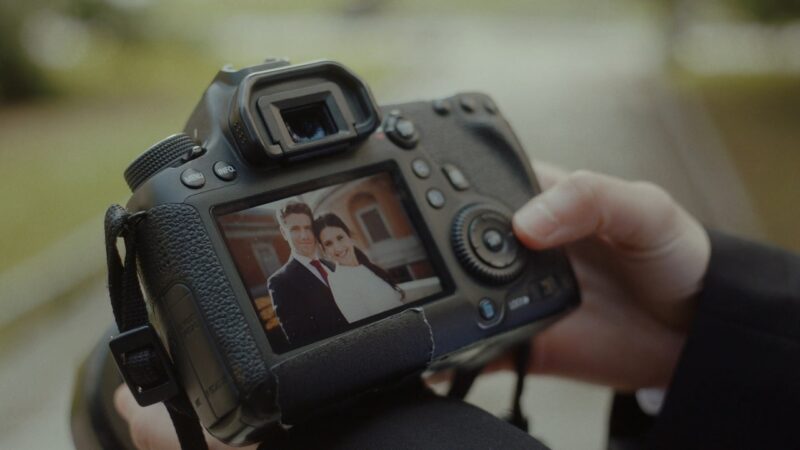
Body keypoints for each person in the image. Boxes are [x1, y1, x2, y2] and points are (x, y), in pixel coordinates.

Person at [113, 164, 800, 449]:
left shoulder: (355, 266)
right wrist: (685, 341)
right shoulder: (291, 281)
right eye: (299, 232)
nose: (310, 238)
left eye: (318, 230)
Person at [266, 202, 347, 348]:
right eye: (295, 229)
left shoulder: (333, 266)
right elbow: (302, 342)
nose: (304, 236)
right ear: (284, 233)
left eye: (308, 228)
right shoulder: (280, 282)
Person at [312, 213, 405, 323]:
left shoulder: (366, 265)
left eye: (340, 238)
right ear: (324, 251)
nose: (337, 247)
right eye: (329, 243)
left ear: (349, 237)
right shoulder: (338, 281)